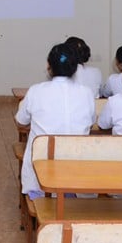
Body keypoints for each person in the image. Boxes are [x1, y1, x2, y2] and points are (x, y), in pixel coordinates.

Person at [15, 43, 95, 200]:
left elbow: (20, 121)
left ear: (48, 66)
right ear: (75, 68)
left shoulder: (36, 91)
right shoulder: (86, 93)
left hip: (41, 171)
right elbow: (91, 122)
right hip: (76, 166)